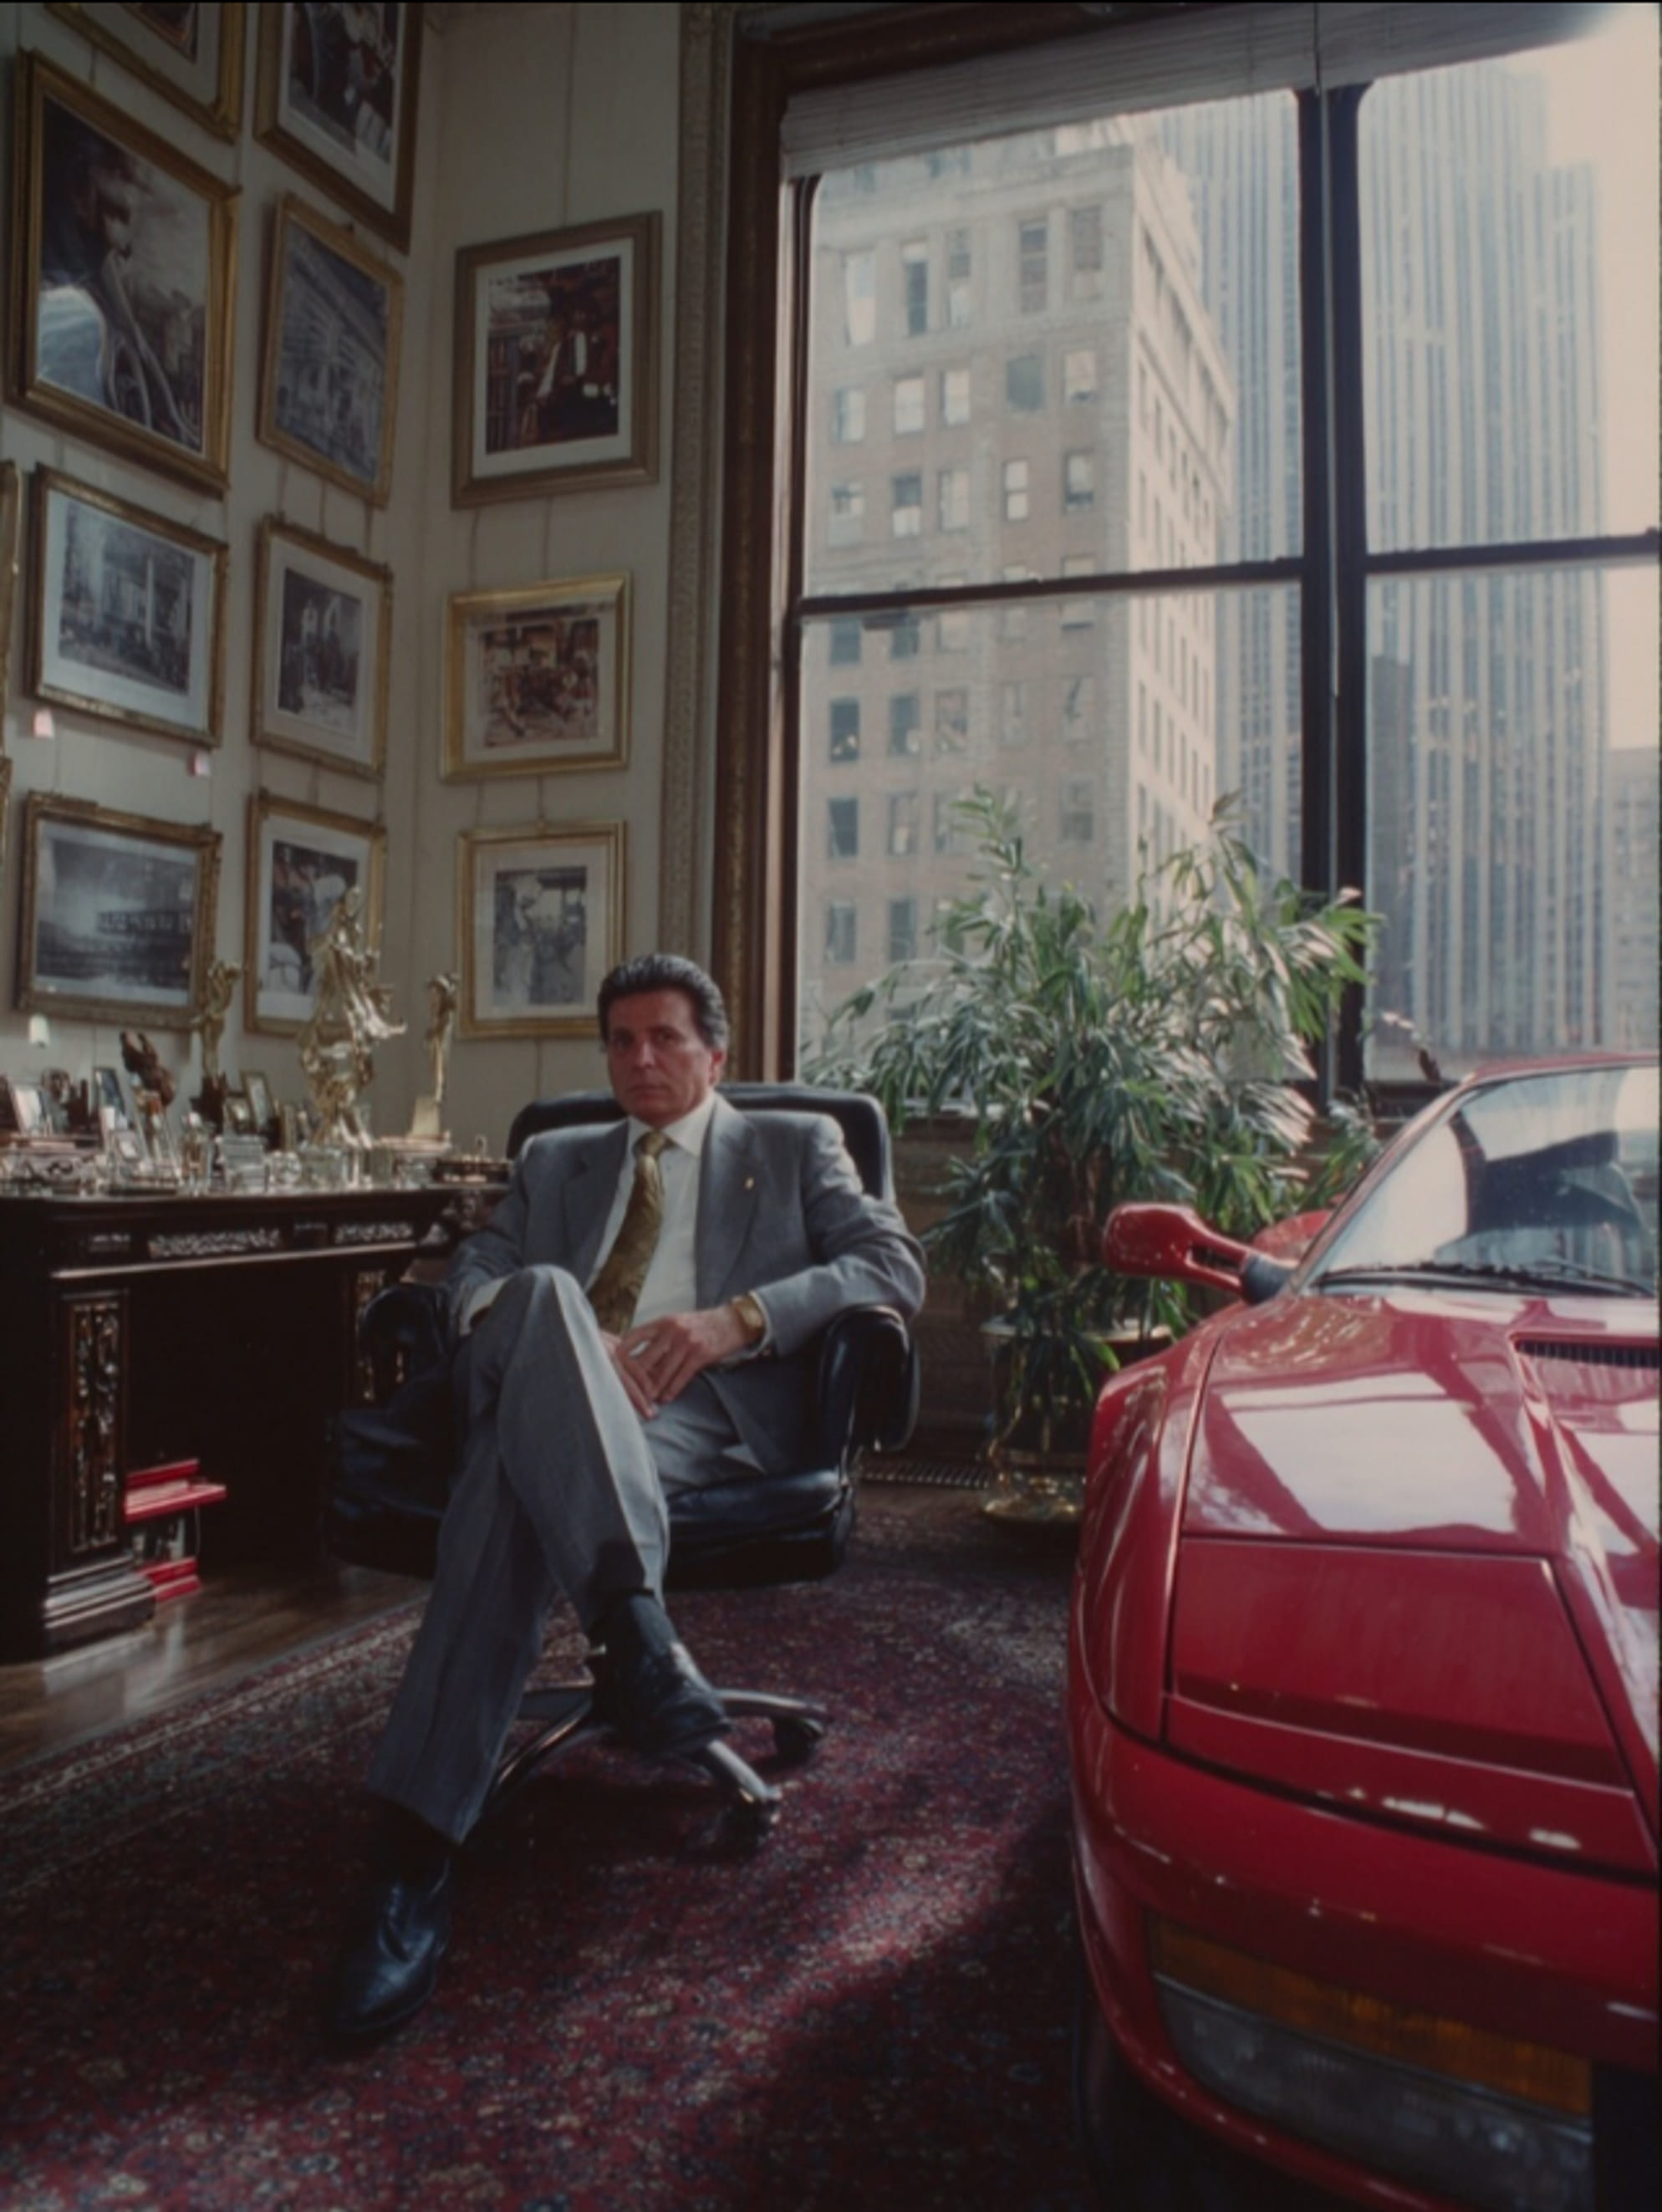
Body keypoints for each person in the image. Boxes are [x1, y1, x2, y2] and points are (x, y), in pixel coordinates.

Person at [329, 953, 925, 2039]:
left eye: (665, 1038)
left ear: (716, 1054)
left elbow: (891, 1265)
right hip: (546, 1388)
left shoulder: (795, 1146)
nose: (640, 1058)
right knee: (544, 1297)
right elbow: (473, 1278)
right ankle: (636, 1637)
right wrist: (563, 1346)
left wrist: (733, 1320)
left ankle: (412, 1861)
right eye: (621, 1040)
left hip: (699, 1410)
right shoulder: (556, 1160)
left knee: (510, 1484)